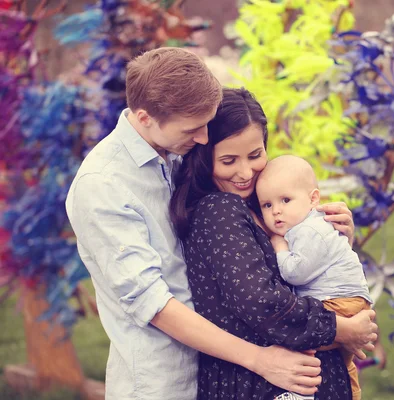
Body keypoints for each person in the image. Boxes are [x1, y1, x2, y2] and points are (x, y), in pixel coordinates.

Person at [65, 47, 373, 400]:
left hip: (218, 368)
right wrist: (267, 357)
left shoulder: (176, 155)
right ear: (145, 117)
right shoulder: (103, 184)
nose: (202, 140)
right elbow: (154, 305)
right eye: (194, 129)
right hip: (163, 381)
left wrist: (316, 230)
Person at [169, 87, 378, 400]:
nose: (245, 173)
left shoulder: (263, 206)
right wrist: (339, 329)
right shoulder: (219, 210)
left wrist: (334, 237)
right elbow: (262, 303)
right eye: (228, 161)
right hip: (259, 384)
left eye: (255, 155)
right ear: (203, 158)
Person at [256, 155, 373, 400]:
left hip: (338, 302)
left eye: (285, 200)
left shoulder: (310, 230)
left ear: (313, 199)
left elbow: (295, 273)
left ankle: (298, 395)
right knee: (344, 363)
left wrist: (279, 246)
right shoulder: (305, 226)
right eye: (267, 205)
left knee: (298, 341)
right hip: (344, 300)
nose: (276, 210)